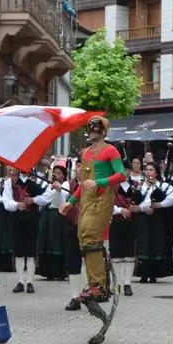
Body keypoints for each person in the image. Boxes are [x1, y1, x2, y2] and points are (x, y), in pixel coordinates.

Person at [60, 115, 126, 302]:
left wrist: (99, 182)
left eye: (96, 129)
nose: (92, 132)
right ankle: (94, 285)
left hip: (102, 199)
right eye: (90, 129)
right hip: (87, 201)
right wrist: (71, 202)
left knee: (91, 239)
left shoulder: (110, 150)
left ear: (104, 132)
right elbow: (83, 183)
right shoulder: (85, 152)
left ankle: (99, 286)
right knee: (84, 241)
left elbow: (121, 175)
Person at [133, 162, 173, 283]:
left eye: (151, 170)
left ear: (156, 173)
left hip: (157, 220)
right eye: (147, 170)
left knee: (156, 245)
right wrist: (141, 208)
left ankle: (154, 274)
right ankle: (143, 274)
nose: (148, 172)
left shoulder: (163, 186)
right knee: (143, 245)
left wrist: (161, 204)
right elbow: (137, 201)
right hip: (143, 220)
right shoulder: (139, 186)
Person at [35, 164, 78, 282]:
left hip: (58, 216)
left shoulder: (66, 185)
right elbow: (44, 198)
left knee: (57, 242)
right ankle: (47, 271)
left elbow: (63, 197)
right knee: (46, 242)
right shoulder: (48, 185)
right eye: (54, 173)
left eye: (59, 173)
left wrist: (59, 189)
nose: (56, 175)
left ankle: (59, 271)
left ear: (63, 175)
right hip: (47, 215)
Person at [3, 167, 42, 292]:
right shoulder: (10, 181)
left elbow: (46, 198)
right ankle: (20, 281)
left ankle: (30, 281)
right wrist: (16, 204)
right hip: (17, 217)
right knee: (18, 249)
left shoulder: (38, 180)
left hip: (33, 217)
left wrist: (34, 200)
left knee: (31, 250)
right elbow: (6, 200)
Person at [107, 161, 142, 296]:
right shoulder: (111, 186)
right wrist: (119, 210)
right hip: (116, 222)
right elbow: (106, 204)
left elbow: (144, 201)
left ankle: (127, 283)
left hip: (131, 223)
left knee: (129, 254)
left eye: (126, 170)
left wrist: (137, 207)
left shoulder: (136, 186)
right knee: (116, 255)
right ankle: (116, 283)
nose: (124, 172)